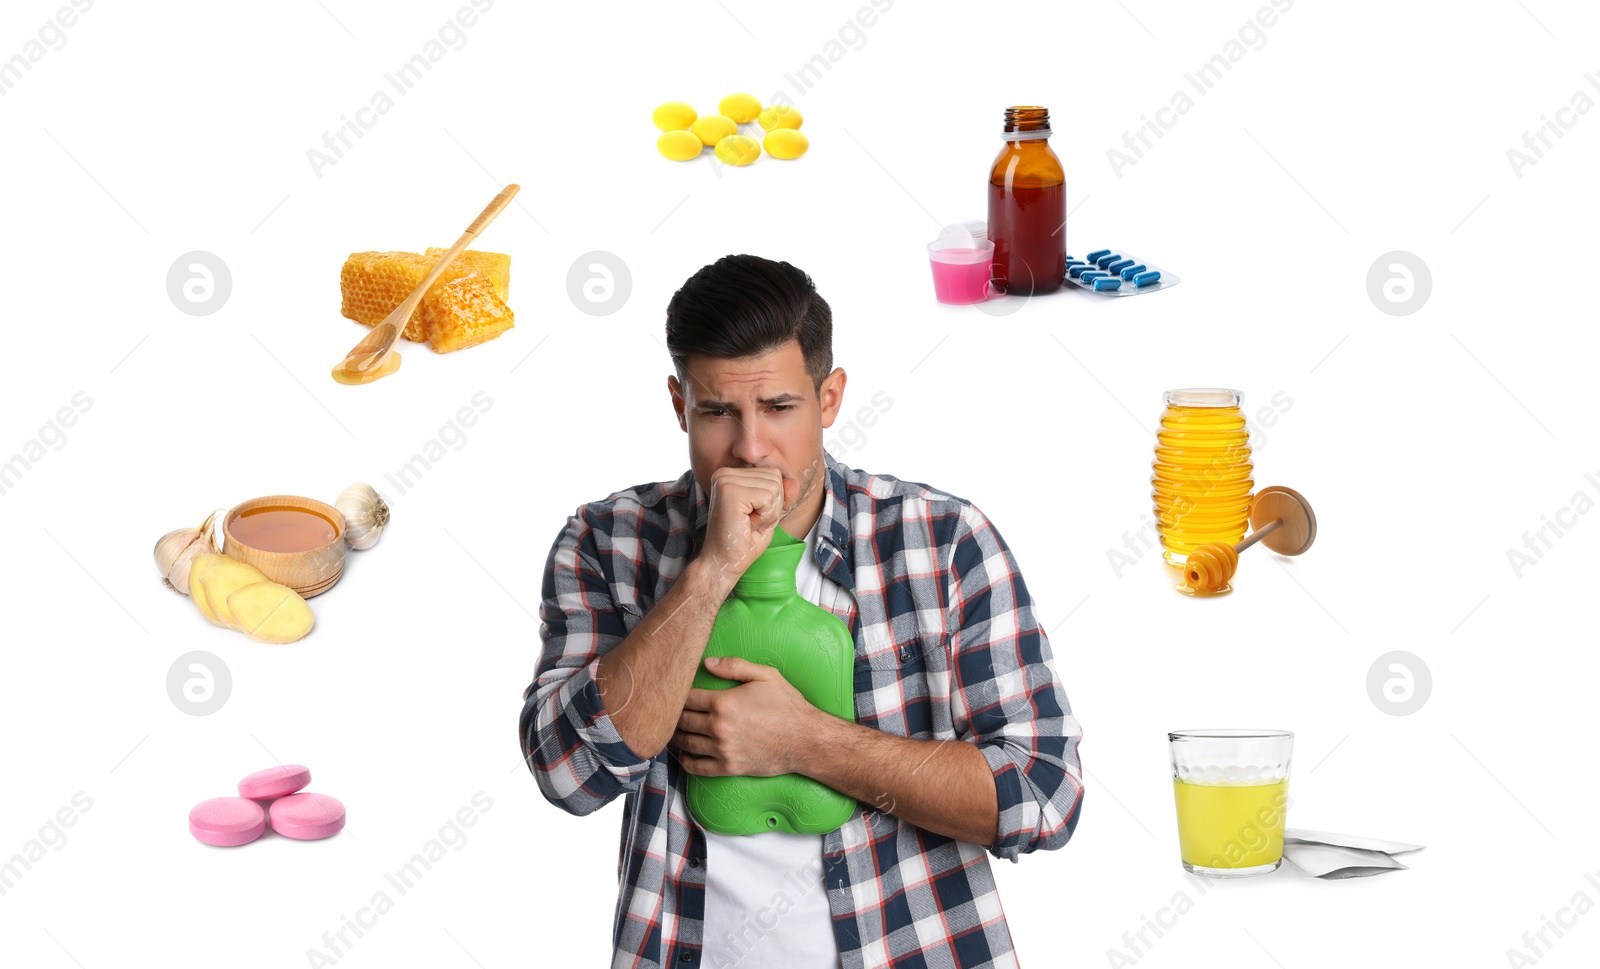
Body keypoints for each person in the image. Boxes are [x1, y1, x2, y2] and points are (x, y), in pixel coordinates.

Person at [520, 254, 1084, 969]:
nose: (750, 446)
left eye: (779, 408)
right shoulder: (607, 542)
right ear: (677, 403)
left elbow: (1043, 794)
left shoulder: (943, 540)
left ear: (831, 397)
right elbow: (568, 775)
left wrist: (806, 742)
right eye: (718, 411)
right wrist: (712, 570)